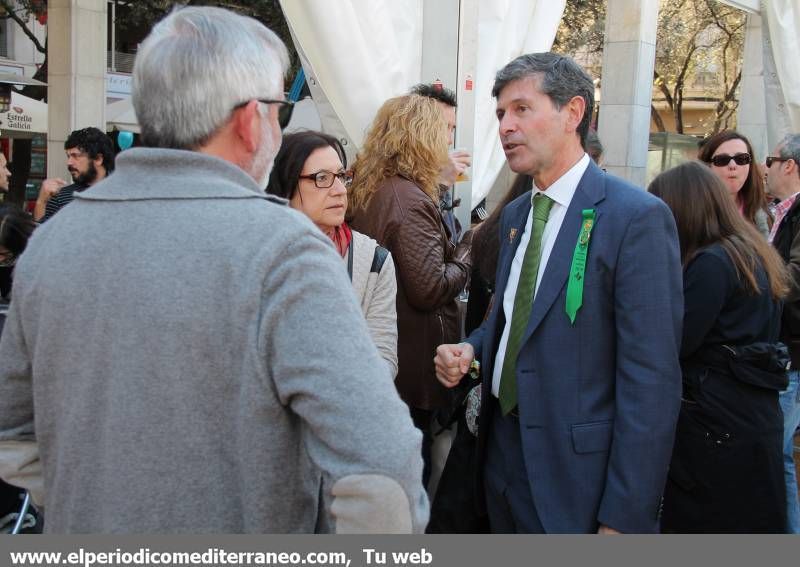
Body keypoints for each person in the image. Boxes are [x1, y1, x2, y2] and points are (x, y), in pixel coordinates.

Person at [0, 6, 426, 534]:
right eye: (278, 111)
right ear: (250, 120)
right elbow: (382, 469)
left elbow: (15, 436)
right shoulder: (285, 251)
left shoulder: (52, 242)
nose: (278, 124)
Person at [434, 52, 683, 533]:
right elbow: (510, 320)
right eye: (501, 113)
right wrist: (472, 347)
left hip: (576, 483)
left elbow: (651, 383)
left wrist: (623, 517)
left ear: (573, 113)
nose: (506, 126)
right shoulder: (515, 216)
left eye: (522, 109)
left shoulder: (635, 219)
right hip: (498, 461)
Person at [651, 161, 789, 533]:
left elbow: (675, 342)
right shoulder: (750, 252)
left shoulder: (711, 262)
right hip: (749, 413)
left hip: (715, 423)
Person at [349, 94, 472, 488]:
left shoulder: (375, 185)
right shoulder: (406, 199)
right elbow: (428, 288)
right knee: (409, 482)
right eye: (443, 133)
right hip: (412, 366)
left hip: (386, 358)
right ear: (421, 138)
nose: (447, 144)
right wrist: (469, 252)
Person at [266, 130, 398, 377]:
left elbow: (385, 361)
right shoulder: (261, 258)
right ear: (286, 185)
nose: (339, 190)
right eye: (322, 178)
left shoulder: (374, 261)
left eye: (341, 176)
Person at [765, 133, 800, 533]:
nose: (764, 168)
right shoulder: (781, 212)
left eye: (771, 160)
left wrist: (750, 283)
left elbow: (793, 280)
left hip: (790, 355)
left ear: (789, 165)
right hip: (786, 350)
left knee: (775, 457)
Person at [410, 83, 471, 244]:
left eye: (452, 129)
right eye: (444, 127)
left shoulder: (433, 172)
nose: (450, 140)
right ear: (419, 127)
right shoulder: (401, 177)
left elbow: (450, 238)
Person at [699, 130, 771, 238]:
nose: (732, 165)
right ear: (708, 166)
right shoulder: (692, 212)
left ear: (750, 165)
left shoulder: (765, 216)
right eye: (722, 160)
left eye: (741, 159)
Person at [34, 127, 115, 223]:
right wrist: (41, 202)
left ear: (98, 159)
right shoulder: (60, 198)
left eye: (75, 156)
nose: (69, 162)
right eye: (68, 156)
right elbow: (42, 235)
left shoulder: (122, 195)